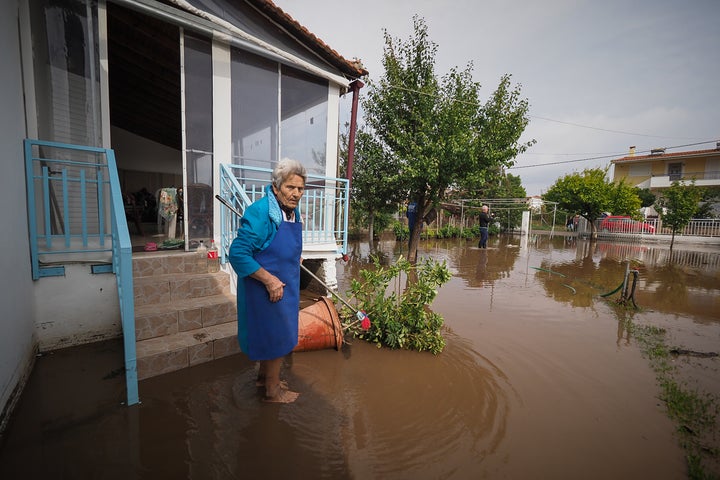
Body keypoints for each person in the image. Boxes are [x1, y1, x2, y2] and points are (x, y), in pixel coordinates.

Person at [228, 159, 306, 403]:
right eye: (290, 188)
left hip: (286, 284)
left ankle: (264, 378)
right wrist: (269, 280)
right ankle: (273, 391)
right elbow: (238, 253)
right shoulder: (262, 212)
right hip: (267, 288)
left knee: (275, 335)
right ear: (276, 187)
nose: (295, 194)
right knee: (276, 337)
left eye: (300, 189)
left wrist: (296, 256)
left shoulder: (290, 211)